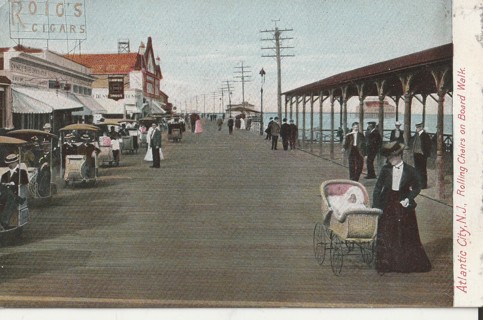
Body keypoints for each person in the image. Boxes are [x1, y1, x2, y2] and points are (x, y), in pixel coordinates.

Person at [372, 141, 431, 274]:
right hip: (386, 202)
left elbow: (417, 186)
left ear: (399, 156)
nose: (389, 160)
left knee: (404, 233)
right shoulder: (385, 169)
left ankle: (403, 264)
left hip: (403, 202)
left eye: (391, 157)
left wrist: (409, 198)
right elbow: (377, 187)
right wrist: (376, 206)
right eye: (388, 157)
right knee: (386, 231)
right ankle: (385, 264)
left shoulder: (410, 170)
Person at [0, 153, 28, 230]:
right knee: (6, 191)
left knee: (10, 197)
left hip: (14, 193)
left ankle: (4, 221)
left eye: (11, 163)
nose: (10, 164)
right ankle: (18, 199)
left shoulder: (22, 172)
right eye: (8, 163)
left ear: (16, 162)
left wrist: (13, 184)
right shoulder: (5, 175)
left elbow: (25, 181)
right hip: (3, 195)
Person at [412, 122, 432, 189]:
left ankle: (423, 185)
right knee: (417, 169)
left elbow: (428, 145)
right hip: (416, 154)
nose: (417, 128)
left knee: (422, 170)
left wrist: (425, 154)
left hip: (422, 155)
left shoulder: (425, 135)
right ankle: (418, 184)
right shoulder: (416, 135)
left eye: (418, 127)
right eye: (416, 127)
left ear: (421, 127)